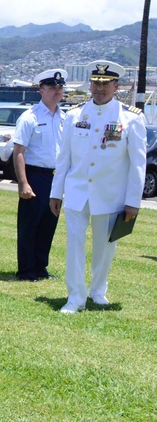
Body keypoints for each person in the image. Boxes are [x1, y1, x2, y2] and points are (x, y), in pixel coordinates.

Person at [49, 60, 147, 314]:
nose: (99, 89)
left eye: (105, 84)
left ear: (116, 86)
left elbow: (138, 163)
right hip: (77, 192)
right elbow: (64, 159)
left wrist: (133, 201)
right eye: (95, 83)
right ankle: (75, 297)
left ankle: (98, 290)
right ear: (90, 84)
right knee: (74, 245)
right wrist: (55, 192)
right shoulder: (74, 115)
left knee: (105, 247)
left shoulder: (131, 118)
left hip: (110, 194)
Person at [13, 69, 65, 281]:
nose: (57, 91)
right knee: (29, 225)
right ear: (41, 90)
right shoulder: (30, 117)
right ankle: (26, 270)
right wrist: (23, 183)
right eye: (52, 87)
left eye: (60, 87)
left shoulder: (65, 117)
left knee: (48, 224)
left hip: (56, 177)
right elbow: (19, 152)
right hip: (35, 175)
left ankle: (40, 267)